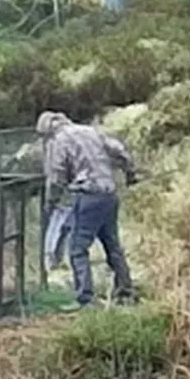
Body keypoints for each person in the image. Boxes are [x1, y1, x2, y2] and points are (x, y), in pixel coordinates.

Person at [35, 110, 139, 309]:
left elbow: (56, 176)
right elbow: (118, 149)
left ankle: (85, 299)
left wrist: (50, 202)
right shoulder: (90, 131)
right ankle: (126, 292)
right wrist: (130, 173)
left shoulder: (58, 140)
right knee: (113, 246)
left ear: (47, 131)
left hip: (87, 197)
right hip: (109, 194)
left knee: (77, 249)